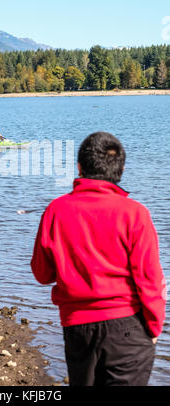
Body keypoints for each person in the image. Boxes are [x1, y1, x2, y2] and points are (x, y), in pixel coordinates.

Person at [31, 131, 166, 386]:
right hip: (128, 327)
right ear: (121, 169)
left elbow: (42, 274)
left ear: (80, 167)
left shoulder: (56, 210)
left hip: (77, 329)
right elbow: (150, 280)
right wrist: (154, 327)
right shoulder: (135, 214)